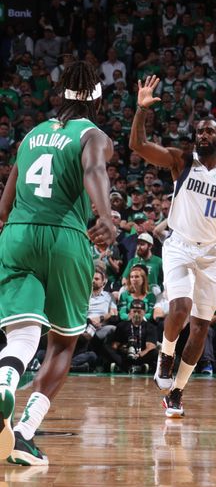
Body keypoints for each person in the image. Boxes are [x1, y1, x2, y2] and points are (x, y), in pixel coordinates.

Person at [0, 60, 116, 465]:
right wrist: (105, 215)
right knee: (63, 342)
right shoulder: (92, 134)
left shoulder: (31, 135)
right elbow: (94, 170)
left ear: (60, 97)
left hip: (15, 233)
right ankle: (24, 433)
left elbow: (3, 206)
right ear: (97, 102)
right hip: (64, 236)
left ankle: (5, 380)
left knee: (22, 333)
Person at [130, 76, 216, 418]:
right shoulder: (181, 161)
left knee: (201, 326)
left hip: (213, 253)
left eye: (209, 131)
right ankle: (165, 355)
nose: (202, 136)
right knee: (180, 307)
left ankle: (177, 393)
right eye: (198, 131)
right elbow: (138, 146)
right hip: (180, 245)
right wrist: (141, 109)